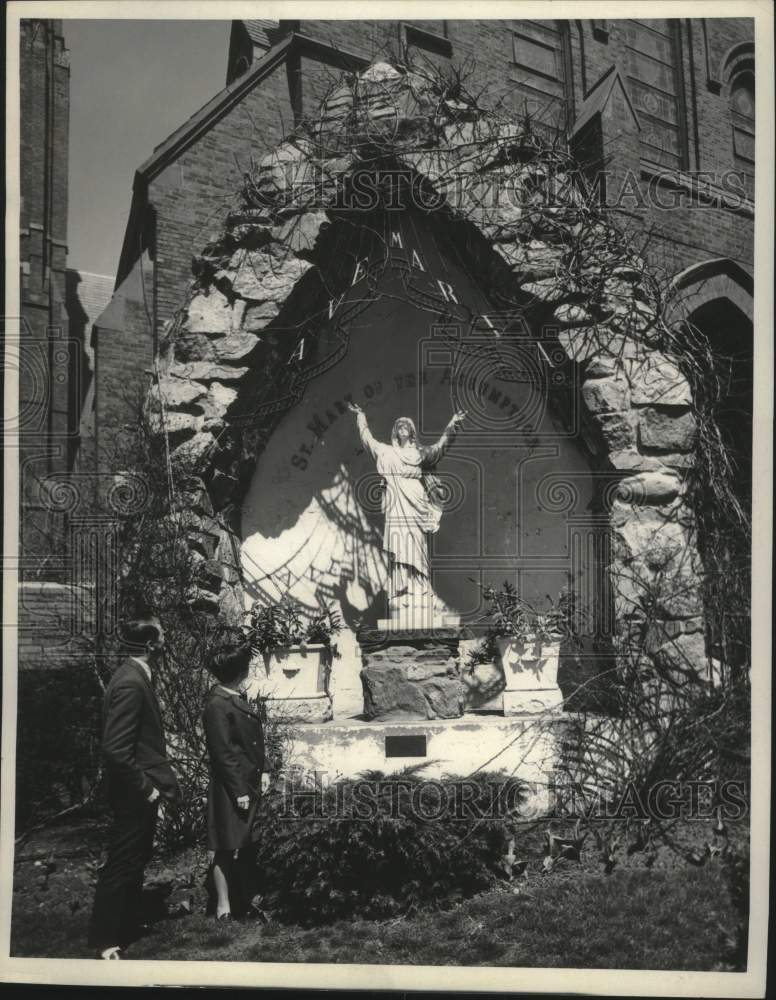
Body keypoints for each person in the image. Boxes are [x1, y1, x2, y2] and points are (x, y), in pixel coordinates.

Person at [88, 613, 180, 960]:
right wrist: (147, 788)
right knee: (124, 861)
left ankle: (123, 927)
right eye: (162, 634)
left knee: (135, 857)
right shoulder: (130, 683)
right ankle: (106, 940)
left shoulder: (134, 675)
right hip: (133, 791)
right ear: (149, 644)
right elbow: (115, 748)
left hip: (136, 787)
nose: (166, 638)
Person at [348, 401, 466, 618]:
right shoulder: (387, 452)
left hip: (416, 501)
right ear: (396, 432)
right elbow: (368, 441)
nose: (403, 430)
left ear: (411, 432)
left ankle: (420, 589)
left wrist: (452, 425)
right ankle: (401, 591)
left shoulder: (420, 453)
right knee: (399, 545)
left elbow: (440, 448)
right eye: (399, 427)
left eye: (406, 427)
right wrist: (361, 417)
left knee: (418, 546)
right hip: (396, 503)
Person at [203, 634, 266, 921]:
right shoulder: (217, 703)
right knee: (226, 846)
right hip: (232, 787)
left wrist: (265, 771)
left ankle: (249, 896)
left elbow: (252, 744)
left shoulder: (232, 698)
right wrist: (239, 791)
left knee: (246, 843)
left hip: (248, 782)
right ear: (240, 671)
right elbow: (223, 752)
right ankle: (223, 906)